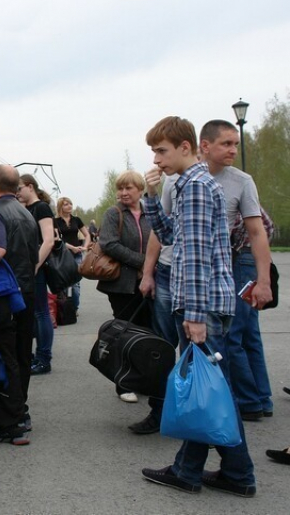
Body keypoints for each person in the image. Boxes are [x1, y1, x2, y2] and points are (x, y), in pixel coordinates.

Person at [142, 115, 255, 498]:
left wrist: (193, 315)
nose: (157, 160)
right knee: (210, 391)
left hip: (201, 304)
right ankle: (231, 473)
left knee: (208, 392)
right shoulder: (196, 184)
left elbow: (195, 258)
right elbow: (174, 236)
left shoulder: (194, 187)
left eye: (161, 151)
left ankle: (195, 471)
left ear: (185, 147)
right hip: (207, 303)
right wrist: (151, 199)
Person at [199, 120, 274, 420]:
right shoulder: (190, 178)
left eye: (235, 144)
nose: (233, 149)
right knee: (244, 335)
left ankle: (250, 401)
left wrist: (263, 281)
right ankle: (260, 398)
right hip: (213, 267)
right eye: (226, 144)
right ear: (205, 146)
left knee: (236, 335)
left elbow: (259, 232)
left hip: (238, 262)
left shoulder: (242, 181)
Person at [0, 165, 38, 445]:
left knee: (6, 356)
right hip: (26, 292)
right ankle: (19, 411)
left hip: (4, 294)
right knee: (22, 355)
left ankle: (8, 423)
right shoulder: (26, 213)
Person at [96, 170, 151, 403]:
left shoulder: (151, 212)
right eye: (120, 188)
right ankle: (123, 383)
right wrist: (143, 262)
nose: (123, 193)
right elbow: (109, 244)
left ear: (140, 190)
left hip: (150, 282)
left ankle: (144, 379)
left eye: (129, 188)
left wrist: (150, 268)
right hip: (122, 284)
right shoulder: (114, 213)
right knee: (125, 332)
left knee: (148, 332)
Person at [133, 174, 179, 434]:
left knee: (202, 355)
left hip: (202, 279)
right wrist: (148, 273)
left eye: (161, 151)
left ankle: (200, 419)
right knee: (161, 348)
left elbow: (257, 229)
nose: (157, 161)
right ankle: (159, 412)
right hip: (166, 272)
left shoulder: (235, 182)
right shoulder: (172, 183)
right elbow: (159, 233)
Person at [16, 174, 55, 375]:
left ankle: (43, 358)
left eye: (20, 188)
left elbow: (48, 240)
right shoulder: (27, 208)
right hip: (29, 267)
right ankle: (36, 356)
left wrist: (35, 266)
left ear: (30, 187)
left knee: (41, 313)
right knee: (34, 313)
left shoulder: (41, 208)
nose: (17, 192)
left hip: (36, 268)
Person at [54, 196, 89, 312]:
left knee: (75, 284)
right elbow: (57, 239)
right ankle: (64, 308)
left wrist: (84, 247)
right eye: (66, 204)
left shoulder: (76, 220)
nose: (69, 206)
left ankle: (74, 308)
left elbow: (87, 235)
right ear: (60, 207)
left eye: (70, 204)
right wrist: (71, 247)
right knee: (63, 283)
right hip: (62, 254)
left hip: (77, 254)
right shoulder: (55, 222)